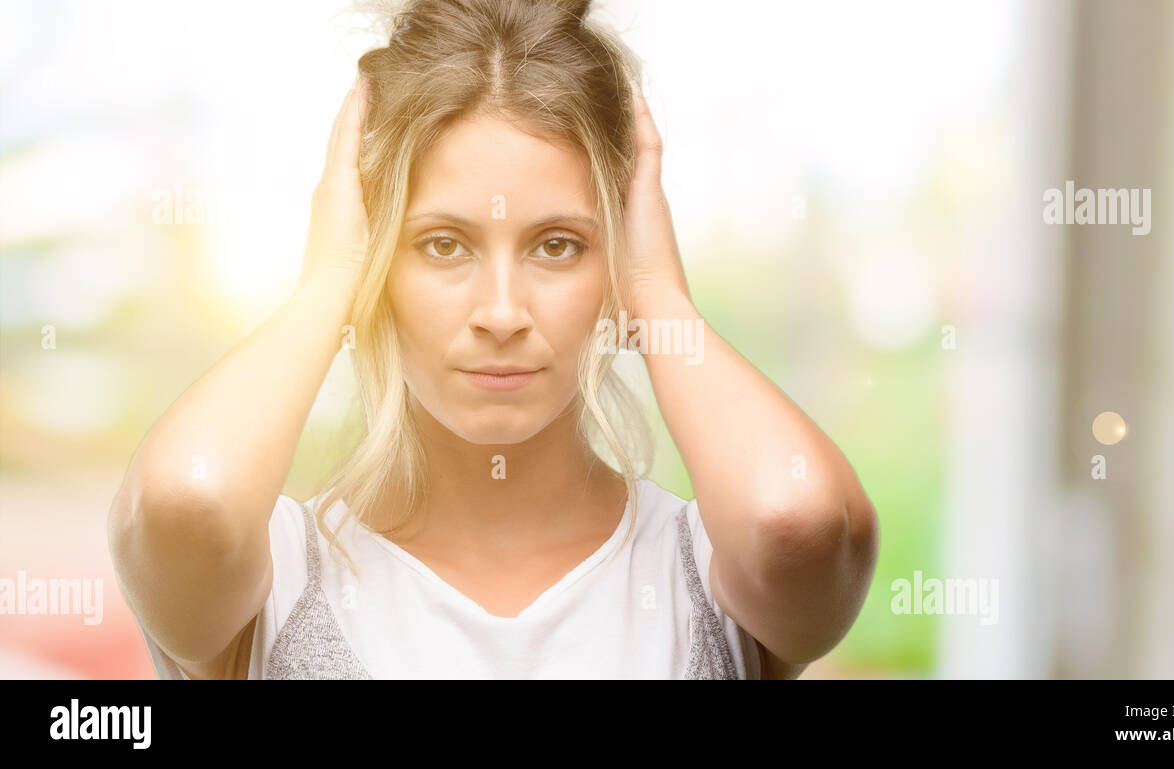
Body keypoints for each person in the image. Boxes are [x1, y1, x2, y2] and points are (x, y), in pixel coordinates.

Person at [107, 0, 879, 680]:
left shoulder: (705, 567)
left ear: (618, 258)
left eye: (558, 245)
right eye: (443, 244)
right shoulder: (276, 576)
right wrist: (326, 286)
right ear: (375, 260)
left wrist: (659, 295)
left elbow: (798, 516)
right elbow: (187, 495)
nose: (502, 312)